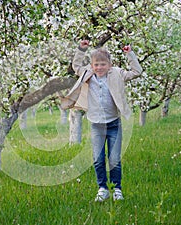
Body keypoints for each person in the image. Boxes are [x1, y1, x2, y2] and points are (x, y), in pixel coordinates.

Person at [61, 40, 143, 201]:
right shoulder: (87, 74)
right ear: (92, 65)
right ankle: (102, 188)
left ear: (109, 64)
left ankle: (116, 188)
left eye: (103, 64)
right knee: (98, 159)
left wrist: (129, 54)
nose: (99, 67)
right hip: (96, 125)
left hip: (114, 124)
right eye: (96, 64)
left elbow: (137, 71)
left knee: (114, 160)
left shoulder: (117, 74)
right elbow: (76, 66)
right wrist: (81, 49)